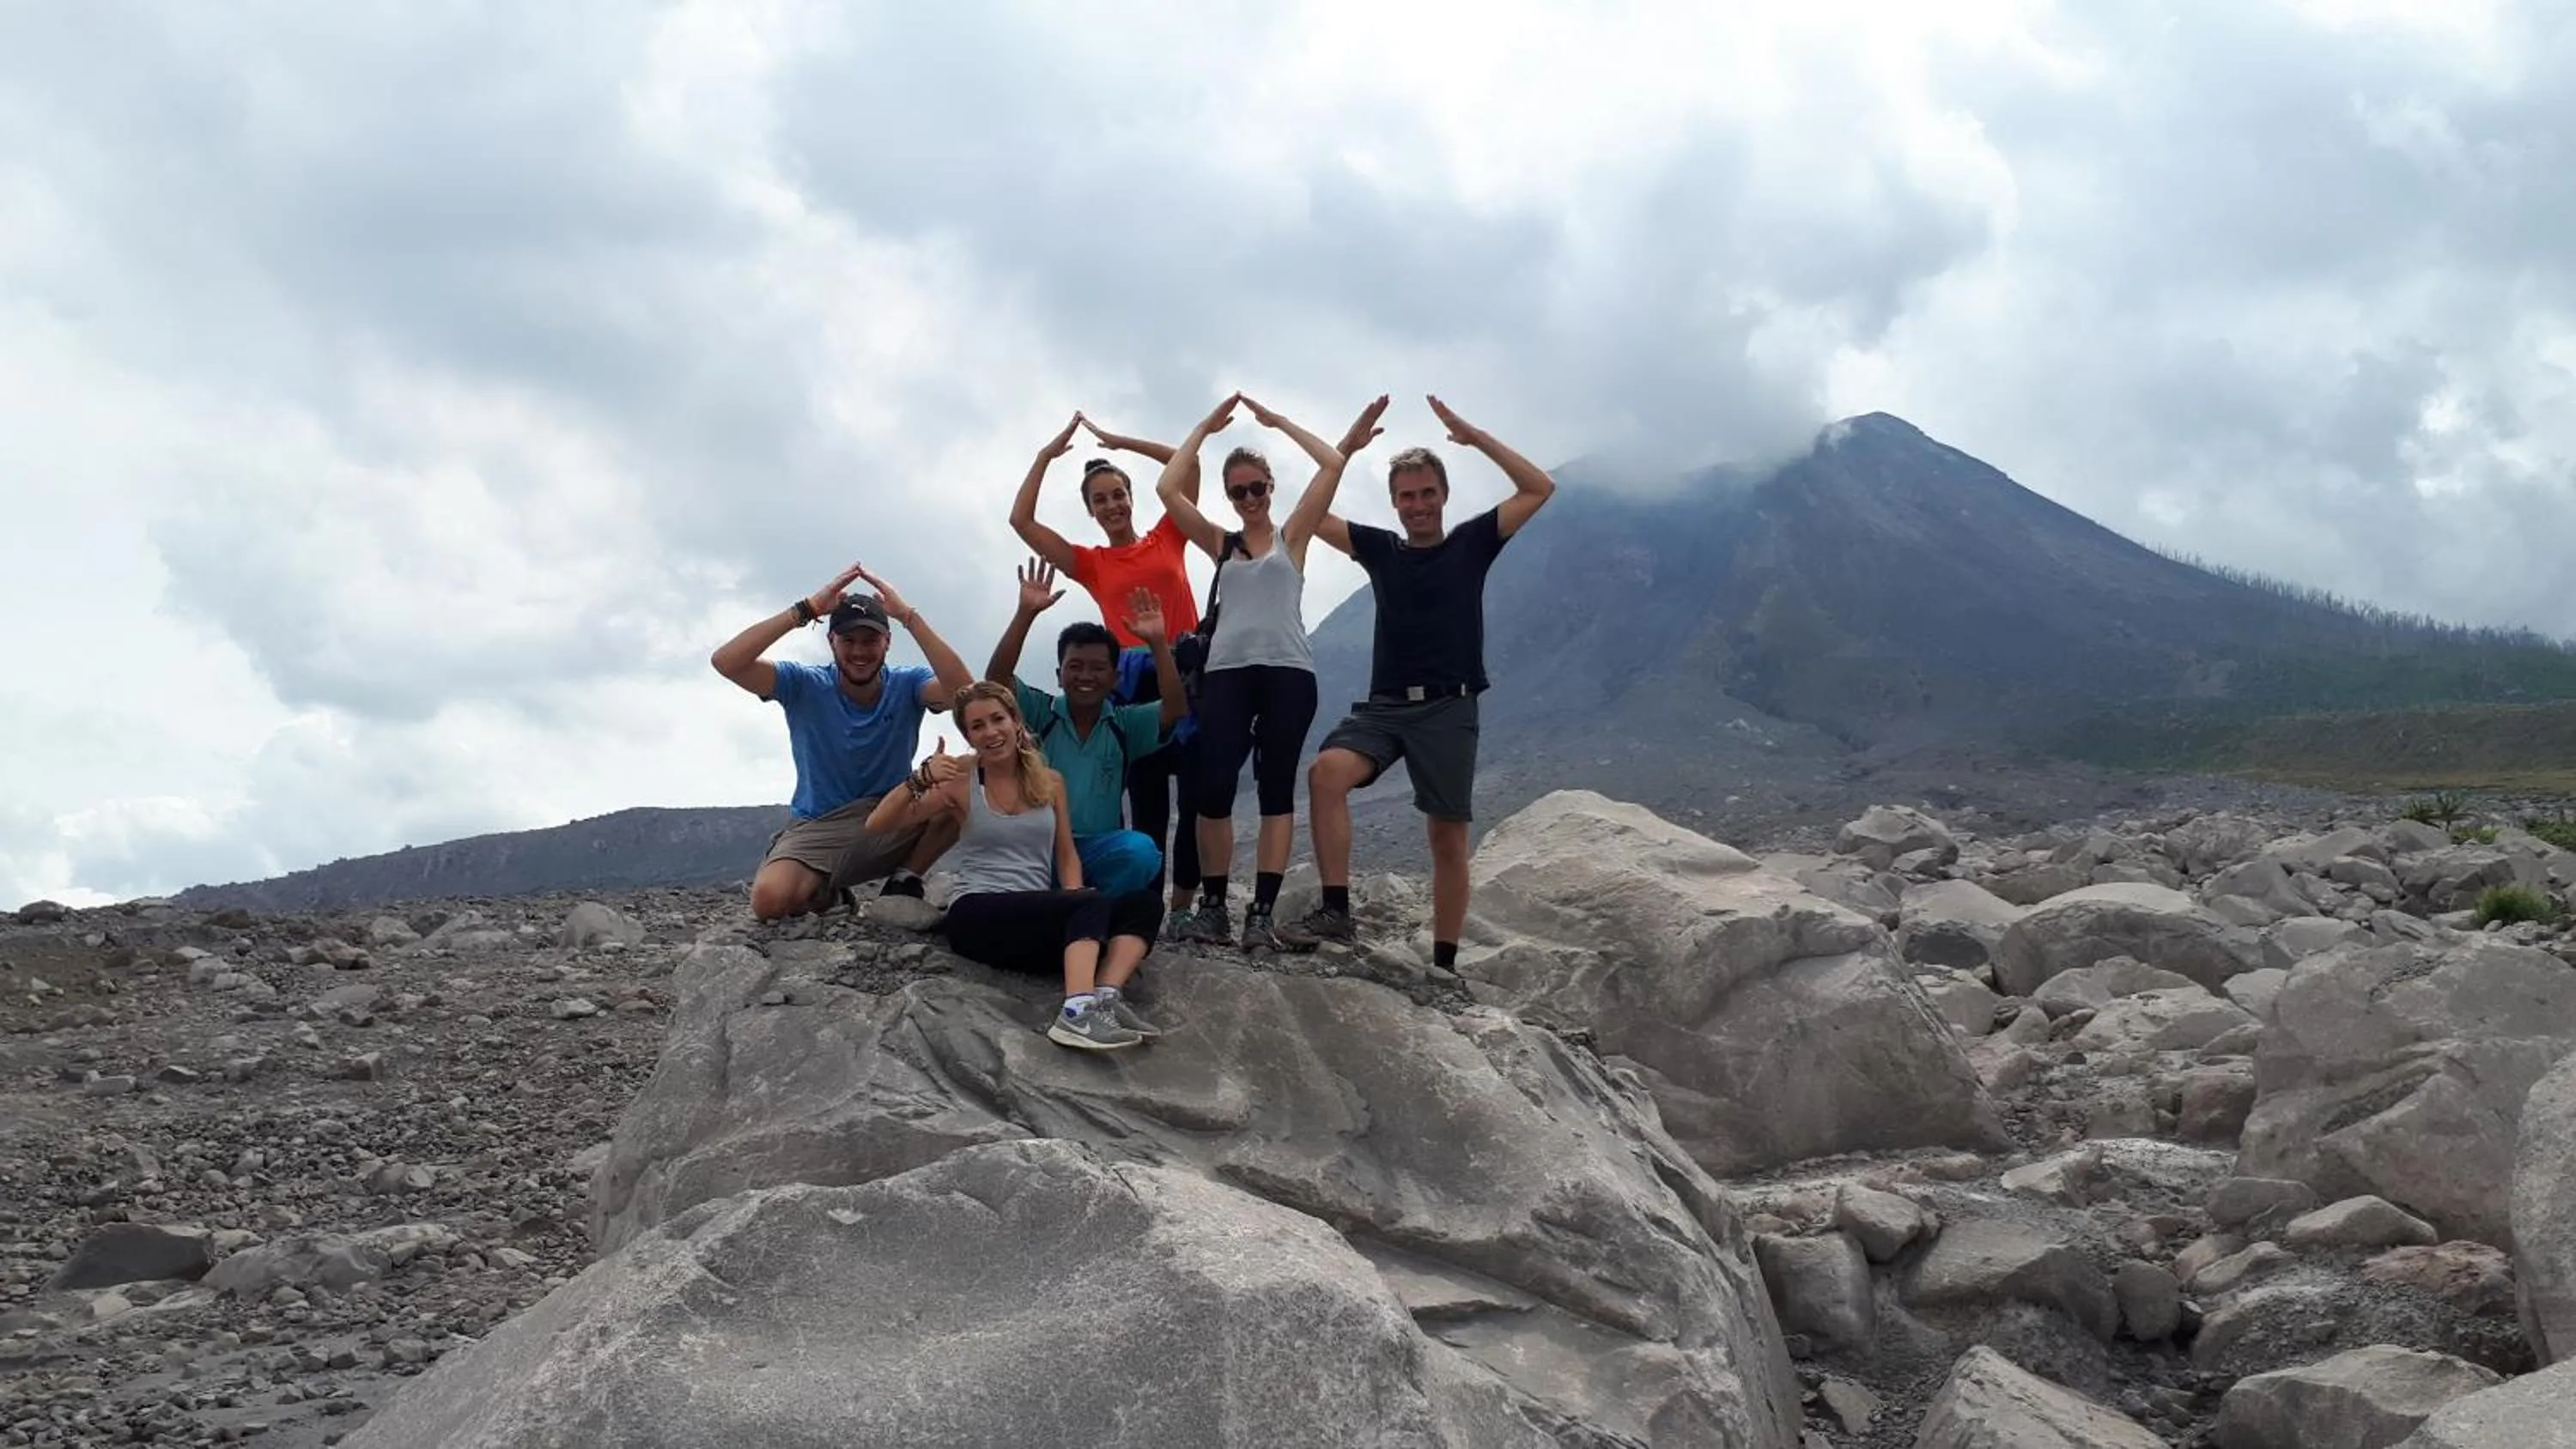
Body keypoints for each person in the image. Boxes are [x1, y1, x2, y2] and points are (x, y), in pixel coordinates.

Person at [1300, 396, 1557, 973]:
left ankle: (1444, 965)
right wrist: (1344, 451)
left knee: (1447, 837)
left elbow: (1538, 487)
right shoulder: (1380, 550)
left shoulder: (1472, 543)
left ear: (1443, 495)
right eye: (1407, 496)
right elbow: (1309, 517)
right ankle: (1336, 910)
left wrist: (1475, 437)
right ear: (1394, 502)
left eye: (1427, 493)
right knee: (1326, 774)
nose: (1417, 505)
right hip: (1384, 709)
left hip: (1448, 708)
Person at [1154, 391, 1366, 951]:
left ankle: (1261, 915)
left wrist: (1279, 422)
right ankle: (1214, 908)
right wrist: (1205, 427)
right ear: (1229, 496)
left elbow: (1333, 464)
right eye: (1238, 491)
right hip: (1226, 674)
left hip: (1287, 674)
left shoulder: (1292, 537)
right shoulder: (1220, 544)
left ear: (1271, 488)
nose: (1249, 498)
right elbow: (1168, 490)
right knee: (1213, 789)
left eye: (1257, 487)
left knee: (1276, 791)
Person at [866, 682, 1164, 1052]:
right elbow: (878, 824)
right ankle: (1075, 1016)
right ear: (968, 736)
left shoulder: (1051, 782)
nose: (991, 732)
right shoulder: (960, 783)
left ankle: (1104, 998)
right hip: (975, 914)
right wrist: (920, 778)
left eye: (998, 719)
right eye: (977, 726)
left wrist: (1076, 901)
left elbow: (1066, 854)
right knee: (1088, 905)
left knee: (1144, 904)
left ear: (1016, 721)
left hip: (1031, 920)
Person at [1009, 413, 1204, 916]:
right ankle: (1145, 908)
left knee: (1200, 796)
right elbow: (1022, 522)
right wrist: (1044, 457)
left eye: (1118, 494)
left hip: (1184, 670)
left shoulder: (1169, 533)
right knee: (1147, 802)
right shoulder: (1091, 562)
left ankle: (1185, 907)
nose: (1112, 505)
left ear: (1131, 498)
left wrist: (1120, 442)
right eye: (1100, 499)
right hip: (1129, 684)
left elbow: (1188, 464)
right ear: (1091, 511)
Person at [710, 562, 977, 923]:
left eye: (870, 641)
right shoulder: (803, 683)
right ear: (831, 641)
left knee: (967, 777)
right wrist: (805, 609)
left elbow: (965, 694)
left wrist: (908, 617)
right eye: (848, 640)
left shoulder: (908, 683)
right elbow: (727, 662)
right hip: (822, 824)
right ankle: (828, 895)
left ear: (887, 642)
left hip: (894, 810)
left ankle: (905, 880)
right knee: (769, 901)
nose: (859, 652)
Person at [984, 557, 1188, 899]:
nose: (1086, 676)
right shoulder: (1041, 713)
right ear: (1059, 675)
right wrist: (1025, 614)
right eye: (1075, 666)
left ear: (1115, 678)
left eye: (1097, 668)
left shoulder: (1124, 726)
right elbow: (996, 681)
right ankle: (1056, 907)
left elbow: (1175, 707)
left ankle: (1092, 909)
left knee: (1141, 853)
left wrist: (1157, 643)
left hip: (1097, 849)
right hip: (1040, 847)